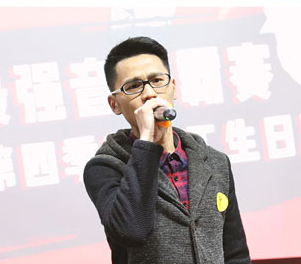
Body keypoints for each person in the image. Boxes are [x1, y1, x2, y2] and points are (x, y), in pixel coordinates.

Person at [84, 36, 250, 263]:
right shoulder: (104, 167)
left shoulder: (214, 161)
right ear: (115, 104)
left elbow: (235, 252)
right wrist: (146, 141)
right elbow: (131, 231)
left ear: (173, 88)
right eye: (134, 86)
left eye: (157, 80)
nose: (150, 94)